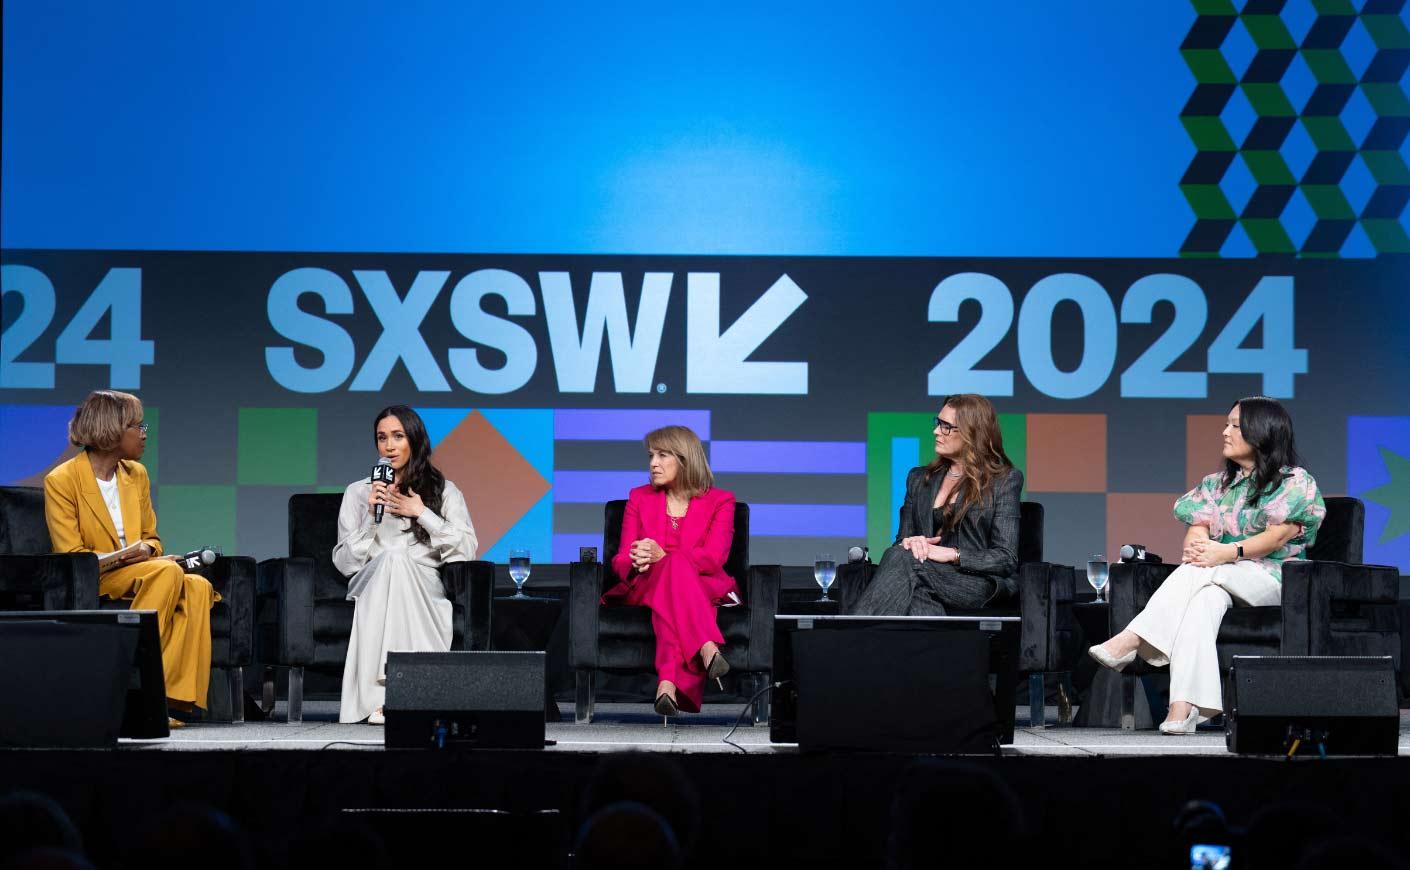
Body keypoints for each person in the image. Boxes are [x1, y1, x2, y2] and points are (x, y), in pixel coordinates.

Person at [1090, 396, 1325, 733]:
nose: (1225, 432)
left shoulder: (1294, 482)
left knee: (1201, 572)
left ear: (1261, 433)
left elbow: (1275, 539)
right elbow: (1196, 536)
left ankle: (1132, 638)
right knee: (1202, 602)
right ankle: (1183, 707)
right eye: (1226, 424)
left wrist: (1223, 554)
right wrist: (1204, 552)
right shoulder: (1216, 486)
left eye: (1234, 425)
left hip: (1275, 578)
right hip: (1218, 578)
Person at [44, 391, 218, 721]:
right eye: (137, 426)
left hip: (141, 571)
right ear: (111, 430)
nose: (144, 433)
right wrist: (124, 556)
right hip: (93, 578)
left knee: (196, 585)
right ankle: (126, 676)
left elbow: (152, 539)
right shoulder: (62, 480)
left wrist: (148, 551)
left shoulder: (135, 475)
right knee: (168, 573)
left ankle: (171, 702)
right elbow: (72, 557)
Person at [335, 405, 478, 724]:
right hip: (369, 581)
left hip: (423, 584)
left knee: (399, 560)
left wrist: (422, 513)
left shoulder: (444, 490)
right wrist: (372, 518)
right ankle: (407, 693)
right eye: (382, 438)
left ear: (414, 440)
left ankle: (394, 696)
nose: (388, 445)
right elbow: (346, 564)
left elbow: (467, 549)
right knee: (393, 559)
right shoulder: (358, 493)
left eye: (397, 436)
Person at [849, 394, 1023, 616]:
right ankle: (944, 645)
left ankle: (850, 634)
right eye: (937, 423)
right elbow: (902, 542)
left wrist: (951, 554)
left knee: (907, 561)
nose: (936, 431)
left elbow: (1006, 558)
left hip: (975, 582)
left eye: (946, 427)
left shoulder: (1004, 480)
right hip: (924, 573)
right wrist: (912, 542)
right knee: (913, 584)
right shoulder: (919, 479)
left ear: (972, 433)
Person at [606, 425, 737, 717]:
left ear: (685, 458)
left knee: (673, 579)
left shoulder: (721, 501)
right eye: (651, 455)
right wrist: (636, 559)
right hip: (645, 583)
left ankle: (666, 683)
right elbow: (620, 559)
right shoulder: (639, 497)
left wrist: (665, 556)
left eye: (663, 455)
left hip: (699, 586)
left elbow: (714, 558)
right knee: (672, 574)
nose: (653, 463)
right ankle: (706, 646)